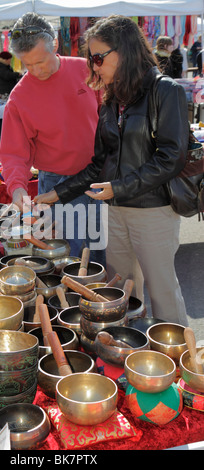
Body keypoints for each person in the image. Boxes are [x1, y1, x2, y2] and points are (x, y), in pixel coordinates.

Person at [34, 15, 189, 326]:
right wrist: (56, 194)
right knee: (120, 293)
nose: (93, 66)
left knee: (162, 293)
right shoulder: (110, 100)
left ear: (125, 51)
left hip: (152, 210)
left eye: (98, 57)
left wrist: (119, 187)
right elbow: (98, 165)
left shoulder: (165, 91)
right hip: (115, 210)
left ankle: (182, 366)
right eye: (90, 58)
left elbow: (172, 157)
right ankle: (132, 359)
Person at [0, 13, 106, 263]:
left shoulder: (85, 69)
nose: (36, 70)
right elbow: (14, 153)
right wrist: (17, 190)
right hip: (57, 186)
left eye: (41, 61)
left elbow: (109, 117)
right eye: (27, 65)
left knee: (103, 252)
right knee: (69, 257)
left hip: (100, 176)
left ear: (55, 44)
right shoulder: (19, 98)